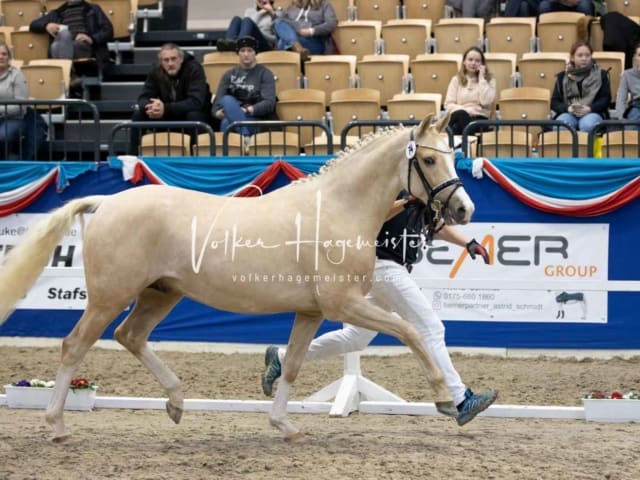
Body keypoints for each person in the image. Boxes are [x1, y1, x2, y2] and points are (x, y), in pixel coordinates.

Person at [261, 195, 498, 427]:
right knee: (431, 329)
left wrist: (467, 243)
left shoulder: (422, 195)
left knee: (355, 338)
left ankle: (282, 359)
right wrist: (407, 200)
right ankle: (460, 400)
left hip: (388, 272)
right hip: (385, 267)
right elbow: (371, 216)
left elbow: (435, 226)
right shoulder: (392, 188)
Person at [130, 43, 213, 154]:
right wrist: (151, 107)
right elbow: (143, 97)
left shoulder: (194, 68)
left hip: (191, 116)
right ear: (161, 62)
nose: (170, 63)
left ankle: (195, 160)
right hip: (167, 116)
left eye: (174, 59)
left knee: (193, 116)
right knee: (138, 115)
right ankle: (133, 159)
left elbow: (195, 102)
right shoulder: (156, 70)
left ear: (181, 59)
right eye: (166, 60)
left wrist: (166, 108)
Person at [29, 0, 114, 79]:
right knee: (57, 44)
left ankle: (67, 75)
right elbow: (33, 25)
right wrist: (46, 25)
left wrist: (92, 39)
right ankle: (69, 74)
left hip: (83, 46)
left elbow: (108, 30)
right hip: (63, 46)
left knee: (58, 43)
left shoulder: (93, 9)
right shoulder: (58, 12)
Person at [212, 36, 277, 138]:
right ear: (238, 53)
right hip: (231, 114)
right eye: (242, 51)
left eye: (250, 50)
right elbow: (217, 105)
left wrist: (248, 110)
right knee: (227, 100)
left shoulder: (265, 73)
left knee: (226, 123)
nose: (246, 54)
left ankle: (235, 145)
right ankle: (245, 136)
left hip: (256, 119)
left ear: (255, 52)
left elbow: (269, 103)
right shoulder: (228, 74)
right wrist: (220, 113)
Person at [551, 40, 611, 133]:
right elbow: (554, 102)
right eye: (580, 55)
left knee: (588, 125)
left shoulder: (601, 75)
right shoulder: (562, 77)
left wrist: (590, 108)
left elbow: (605, 99)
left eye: (587, 55)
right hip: (569, 113)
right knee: (561, 125)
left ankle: (586, 148)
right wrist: (568, 108)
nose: (584, 58)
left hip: (593, 112)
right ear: (572, 58)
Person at [0, 42, 46, 160]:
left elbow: (21, 106)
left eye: (4, 54)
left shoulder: (17, 76)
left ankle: (5, 167)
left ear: (9, 58)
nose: (1, 57)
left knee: (3, 136)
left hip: (14, 119)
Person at [444, 46, 497, 136]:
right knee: (461, 114)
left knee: (455, 128)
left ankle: (458, 148)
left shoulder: (490, 80)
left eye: (477, 61)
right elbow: (448, 105)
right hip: (458, 115)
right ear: (464, 62)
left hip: (480, 119)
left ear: (482, 64)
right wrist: (467, 110)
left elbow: (486, 102)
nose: (473, 63)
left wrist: (481, 78)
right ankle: (471, 145)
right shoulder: (456, 80)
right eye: (470, 59)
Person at [614, 42, 640, 129]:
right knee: (631, 126)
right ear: (635, 58)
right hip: (637, 107)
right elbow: (621, 99)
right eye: (639, 55)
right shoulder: (627, 74)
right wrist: (622, 118)